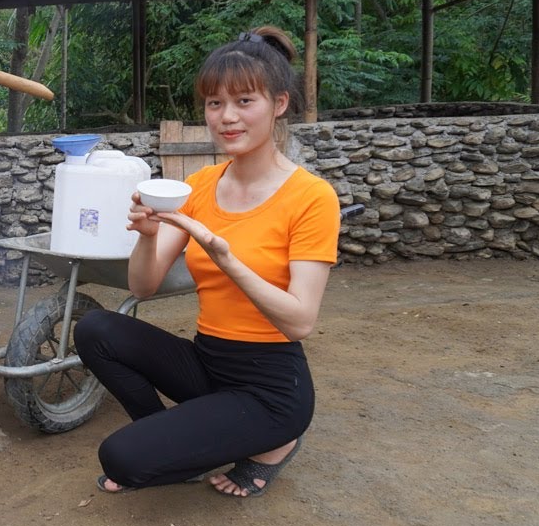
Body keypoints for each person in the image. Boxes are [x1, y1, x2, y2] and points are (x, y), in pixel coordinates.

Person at [73, 26, 341, 498]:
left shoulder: (312, 197)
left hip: (271, 389)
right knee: (96, 327)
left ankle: (275, 441)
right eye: (214, 103)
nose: (226, 117)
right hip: (208, 363)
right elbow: (144, 287)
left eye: (244, 101)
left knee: (120, 457)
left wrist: (226, 257)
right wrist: (147, 236)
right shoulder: (197, 186)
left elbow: (301, 321)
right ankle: (176, 443)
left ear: (279, 104)